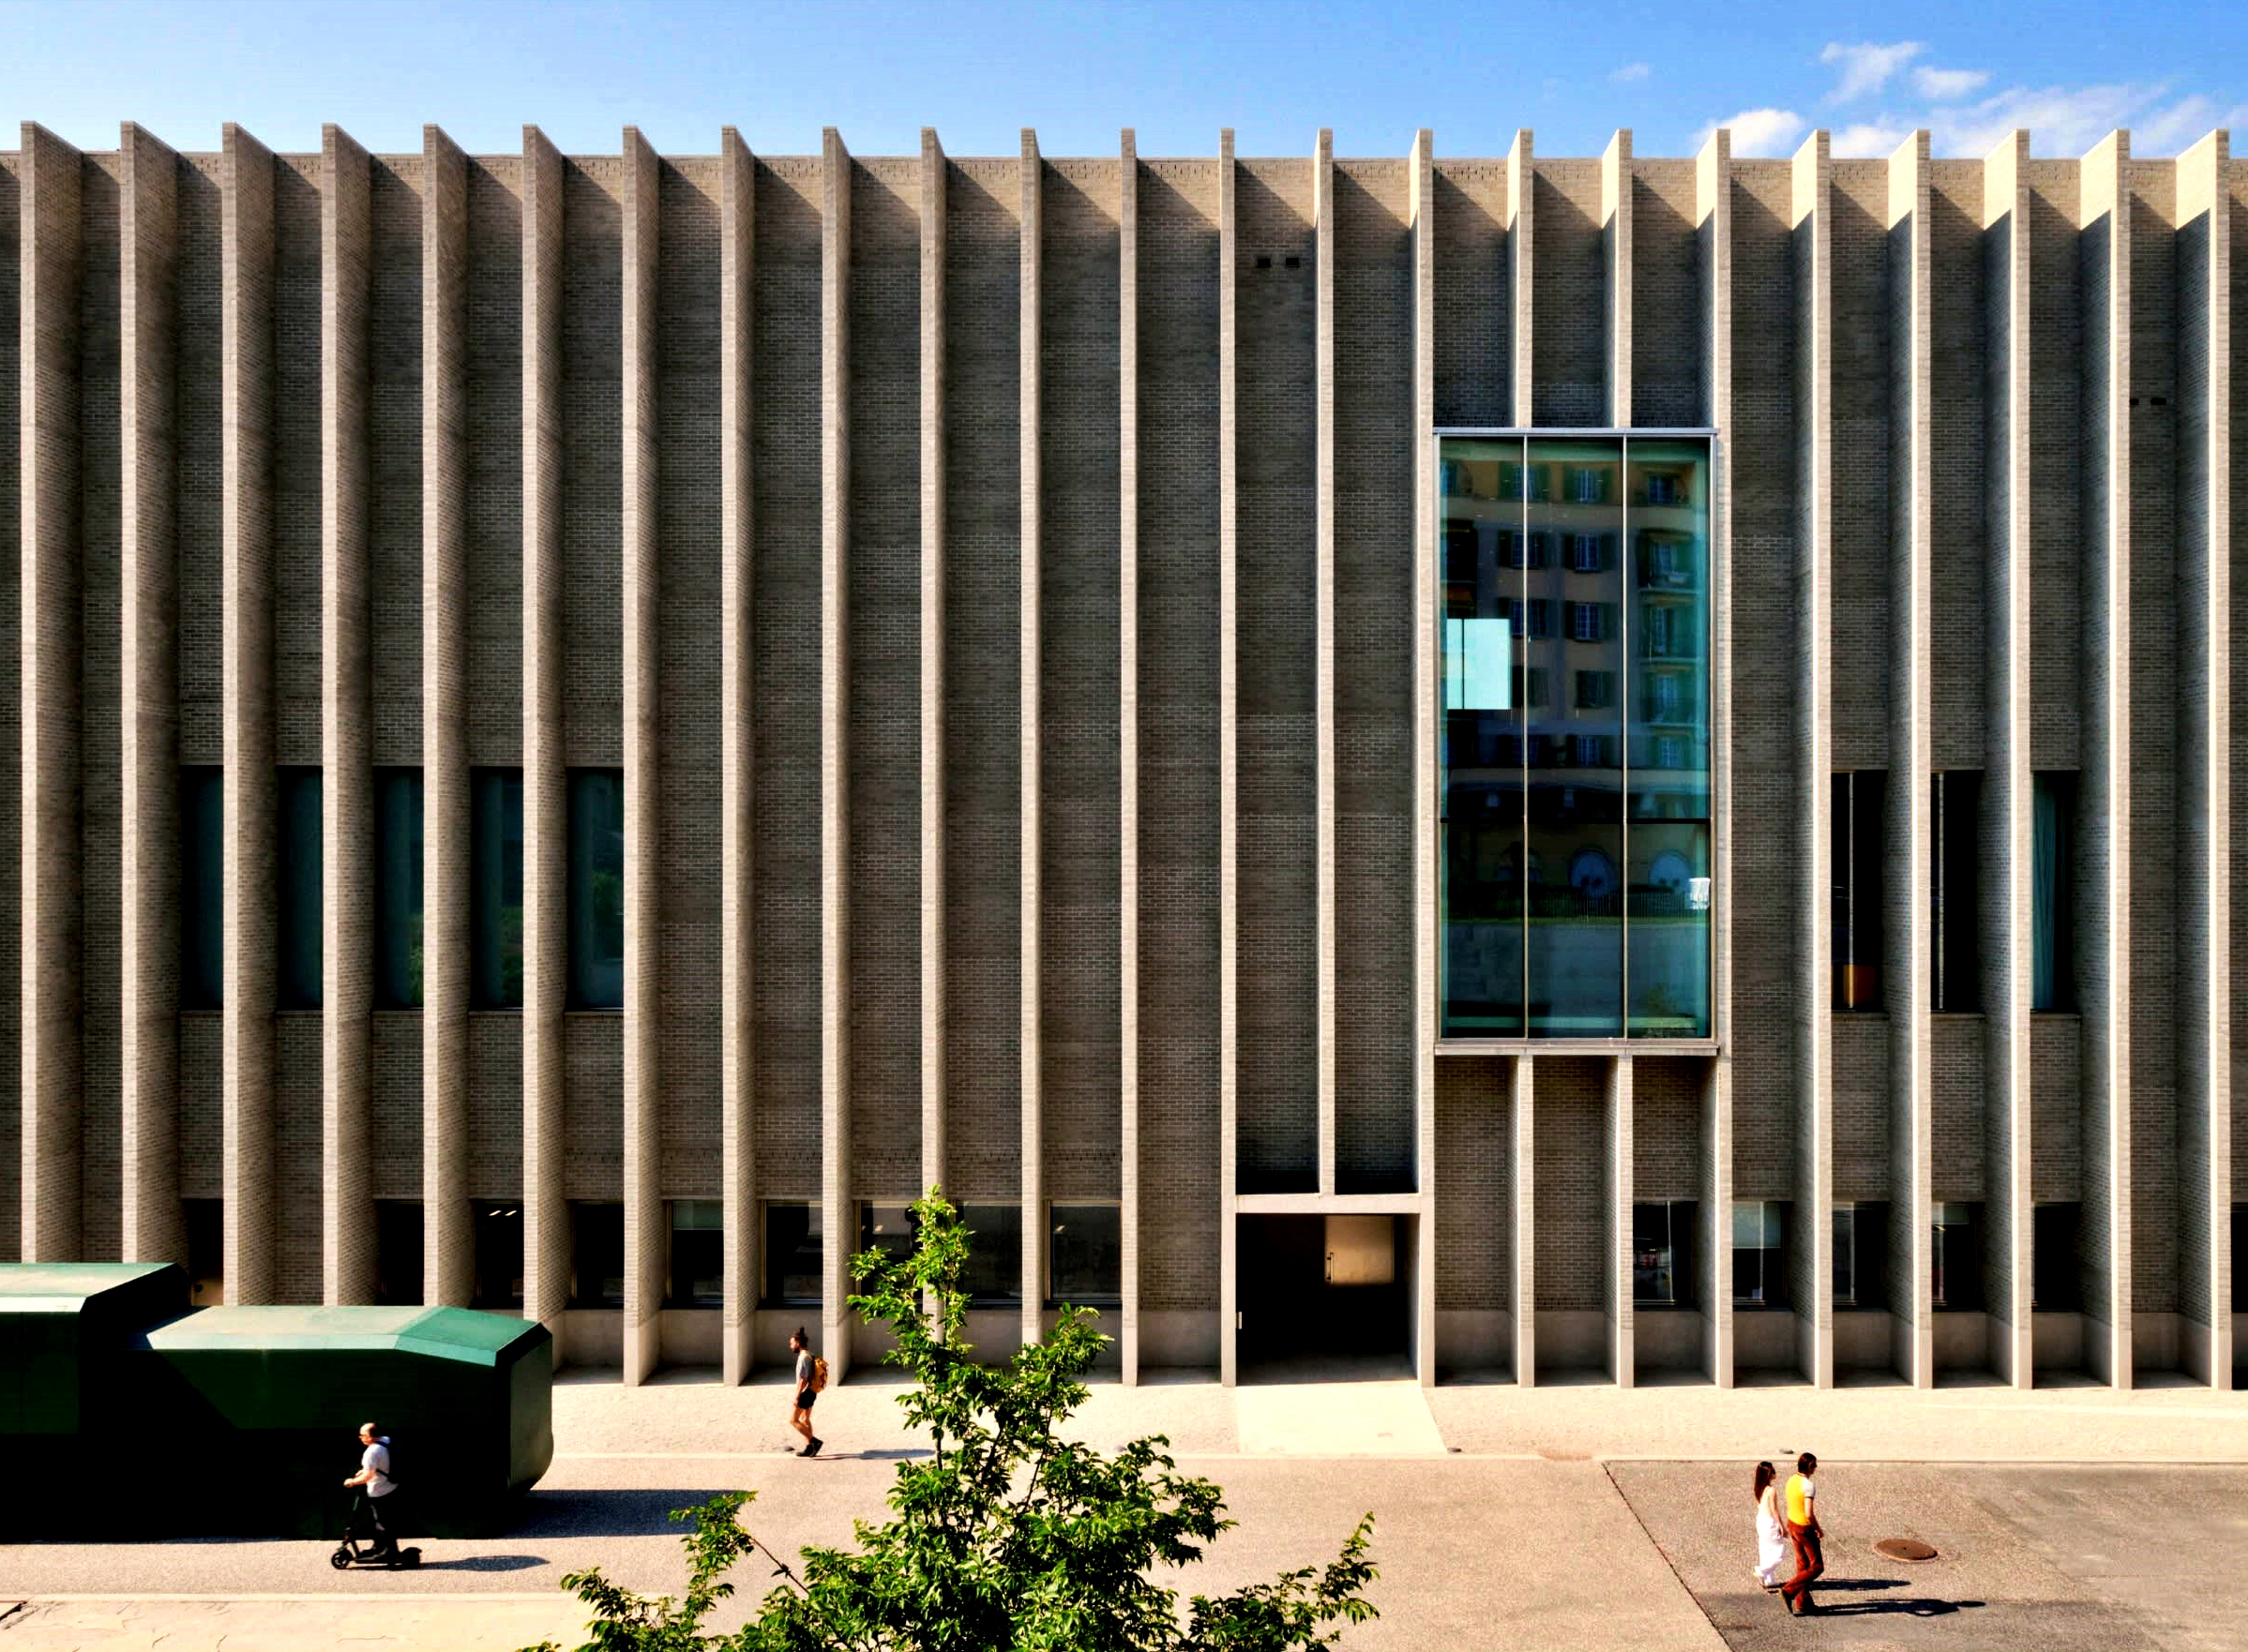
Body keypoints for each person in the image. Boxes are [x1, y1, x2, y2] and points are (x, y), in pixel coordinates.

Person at [340, 1421, 400, 1555]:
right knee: (379, 1521)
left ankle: (390, 1550)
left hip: (380, 1491)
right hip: (391, 1486)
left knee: (382, 1522)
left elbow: (368, 1475)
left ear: (369, 1437)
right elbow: (382, 1463)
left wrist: (352, 1482)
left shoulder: (372, 1452)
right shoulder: (386, 1440)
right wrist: (365, 1470)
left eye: (362, 1435)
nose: (360, 1437)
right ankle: (378, 1547)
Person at [1780, 1451, 1825, 1615]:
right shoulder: (1808, 1485)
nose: (1816, 1468)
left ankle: (1803, 1602)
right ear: (1809, 1467)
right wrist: (1818, 1529)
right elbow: (1809, 1513)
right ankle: (1788, 1591)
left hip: (1792, 1523)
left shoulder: (1791, 1480)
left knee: (1803, 1564)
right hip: (1804, 1528)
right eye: (1814, 1465)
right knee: (1817, 1566)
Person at [1752, 1461, 1788, 1590]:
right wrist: (1782, 1526)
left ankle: (1769, 1580)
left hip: (1761, 1520)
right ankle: (1762, 1571)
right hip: (1769, 1522)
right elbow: (1774, 1510)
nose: (1775, 1473)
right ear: (1768, 1475)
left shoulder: (1759, 1488)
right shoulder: (1771, 1490)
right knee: (1780, 1552)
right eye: (1772, 1471)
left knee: (1765, 1550)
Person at [789, 1328, 823, 1458]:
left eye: (792, 1343)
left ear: (798, 1343)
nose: (790, 1346)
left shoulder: (803, 1358)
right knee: (805, 1419)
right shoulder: (809, 1354)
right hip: (812, 1391)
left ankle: (815, 1442)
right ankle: (809, 1448)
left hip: (805, 1392)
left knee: (793, 1420)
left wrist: (797, 1396)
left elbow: (803, 1379)